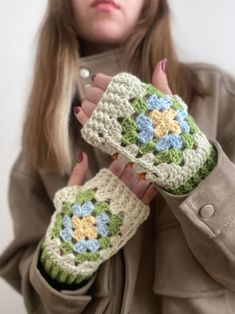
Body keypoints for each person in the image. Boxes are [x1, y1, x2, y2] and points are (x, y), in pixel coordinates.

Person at [0, 0, 235, 313]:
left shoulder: (216, 95)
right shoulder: (44, 135)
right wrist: (68, 258)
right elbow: (38, 303)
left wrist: (193, 169)